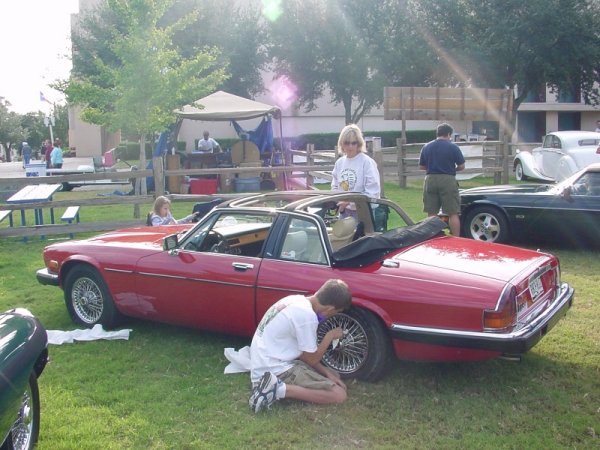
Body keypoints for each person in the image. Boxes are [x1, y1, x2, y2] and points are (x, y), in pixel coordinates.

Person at [248, 278, 352, 413]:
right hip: (275, 369)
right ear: (330, 309)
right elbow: (311, 359)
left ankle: (272, 385)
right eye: (336, 312)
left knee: (333, 374)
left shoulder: (295, 300)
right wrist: (330, 336)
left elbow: (304, 355)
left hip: (264, 363)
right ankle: (277, 389)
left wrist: (327, 373)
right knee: (339, 394)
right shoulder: (307, 317)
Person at [419, 123, 465, 236]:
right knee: (453, 212)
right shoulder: (453, 147)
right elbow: (462, 166)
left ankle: (431, 235)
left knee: (432, 212)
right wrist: (453, 168)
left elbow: (422, 166)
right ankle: (456, 237)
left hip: (430, 179)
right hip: (447, 179)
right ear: (448, 134)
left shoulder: (426, 146)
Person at [331, 124, 381, 218]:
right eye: (347, 143)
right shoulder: (339, 163)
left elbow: (373, 192)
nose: (350, 146)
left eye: (353, 143)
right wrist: (339, 201)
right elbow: (335, 186)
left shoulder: (367, 162)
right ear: (341, 143)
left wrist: (350, 202)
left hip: (364, 212)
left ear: (359, 143)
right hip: (344, 212)